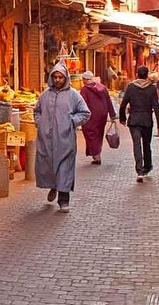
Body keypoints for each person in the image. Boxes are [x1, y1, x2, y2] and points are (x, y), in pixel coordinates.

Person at [34, 62, 91, 213]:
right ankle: (53, 186)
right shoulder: (45, 95)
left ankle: (63, 200)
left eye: (61, 77)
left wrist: (71, 121)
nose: (58, 80)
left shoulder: (74, 95)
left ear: (65, 78)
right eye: (55, 77)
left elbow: (85, 113)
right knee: (49, 166)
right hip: (46, 140)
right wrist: (40, 123)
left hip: (65, 140)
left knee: (65, 168)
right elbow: (37, 111)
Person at [119, 66, 159, 183]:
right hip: (147, 120)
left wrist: (122, 118)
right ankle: (147, 167)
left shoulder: (131, 87)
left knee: (136, 145)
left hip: (134, 120)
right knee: (146, 145)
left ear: (137, 74)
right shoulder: (151, 88)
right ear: (147, 75)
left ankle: (139, 172)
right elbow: (156, 107)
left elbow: (123, 104)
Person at [80, 70, 117, 165]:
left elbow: (83, 104)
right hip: (102, 115)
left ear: (85, 79)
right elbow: (108, 101)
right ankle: (97, 155)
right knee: (99, 134)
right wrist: (112, 114)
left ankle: (96, 156)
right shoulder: (102, 88)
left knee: (90, 134)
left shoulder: (84, 90)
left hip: (91, 116)